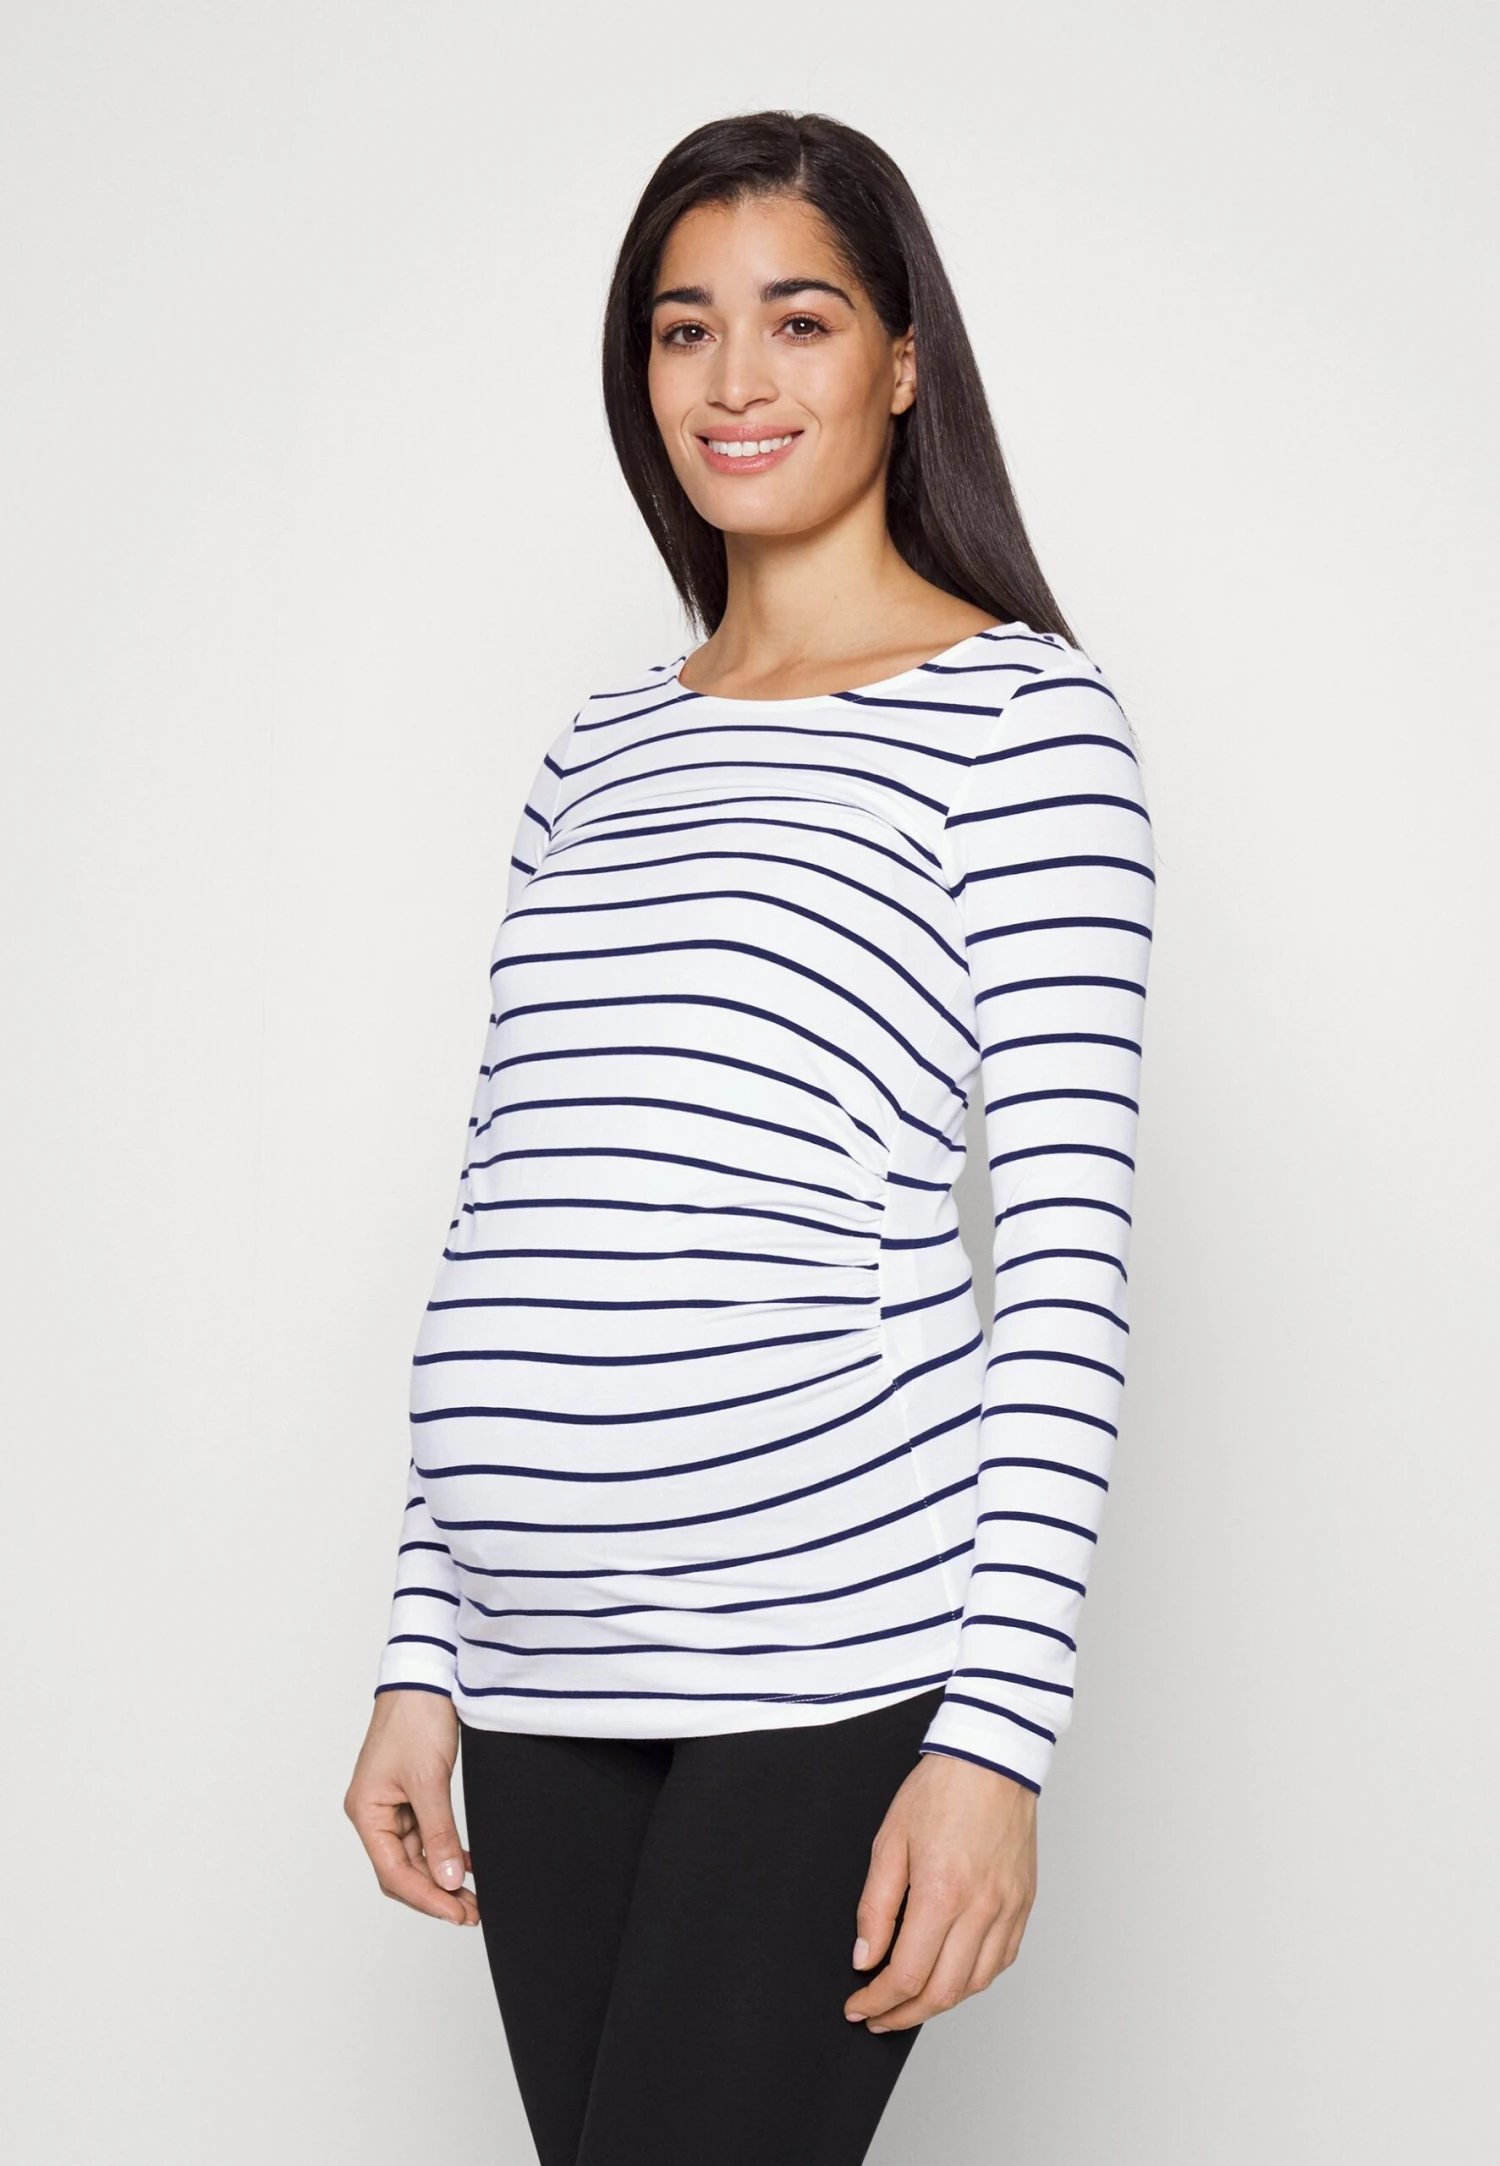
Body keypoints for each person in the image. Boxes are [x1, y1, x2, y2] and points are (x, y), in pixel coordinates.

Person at [345, 108, 1155, 2166]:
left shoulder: (1020, 724)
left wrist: (996, 1742)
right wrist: (422, 1653)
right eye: (683, 325)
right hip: (534, 1674)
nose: (735, 377)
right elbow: (513, 1203)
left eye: (799, 319)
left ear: (902, 359)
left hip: (822, 1649)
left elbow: (1066, 1265)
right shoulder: (597, 750)